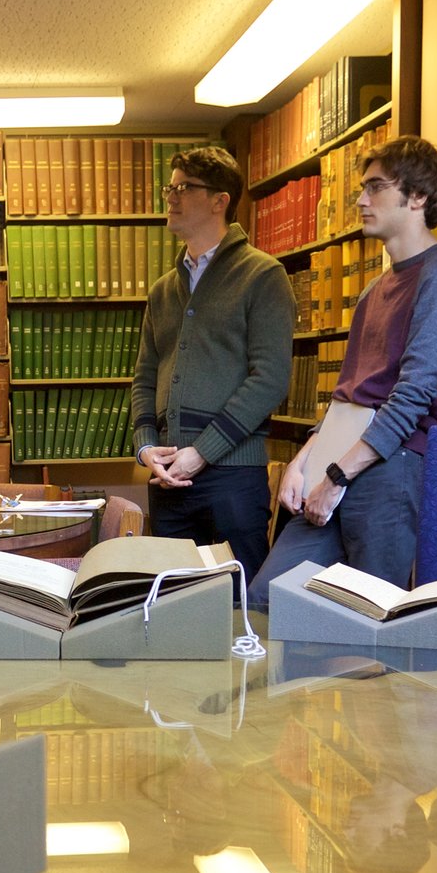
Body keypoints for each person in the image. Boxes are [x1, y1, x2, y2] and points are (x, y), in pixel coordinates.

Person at [254, 136, 437, 605]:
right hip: (339, 458)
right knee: (268, 600)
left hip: (388, 471)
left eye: (375, 187)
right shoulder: (375, 289)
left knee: (370, 622)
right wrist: (303, 462)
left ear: (417, 197)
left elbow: (413, 398)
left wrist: (337, 476)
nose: (360, 199)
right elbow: (345, 396)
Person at [130, 145, 293, 579]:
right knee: (173, 606)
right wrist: (147, 447)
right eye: (171, 187)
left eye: (185, 188)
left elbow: (270, 380)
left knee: (242, 607)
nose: (171, 197)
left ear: (220, 200)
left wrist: (202, 453)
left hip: (233, 481)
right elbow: (145, 376)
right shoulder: (164, 290)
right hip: (167, 480)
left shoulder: (263, 276)